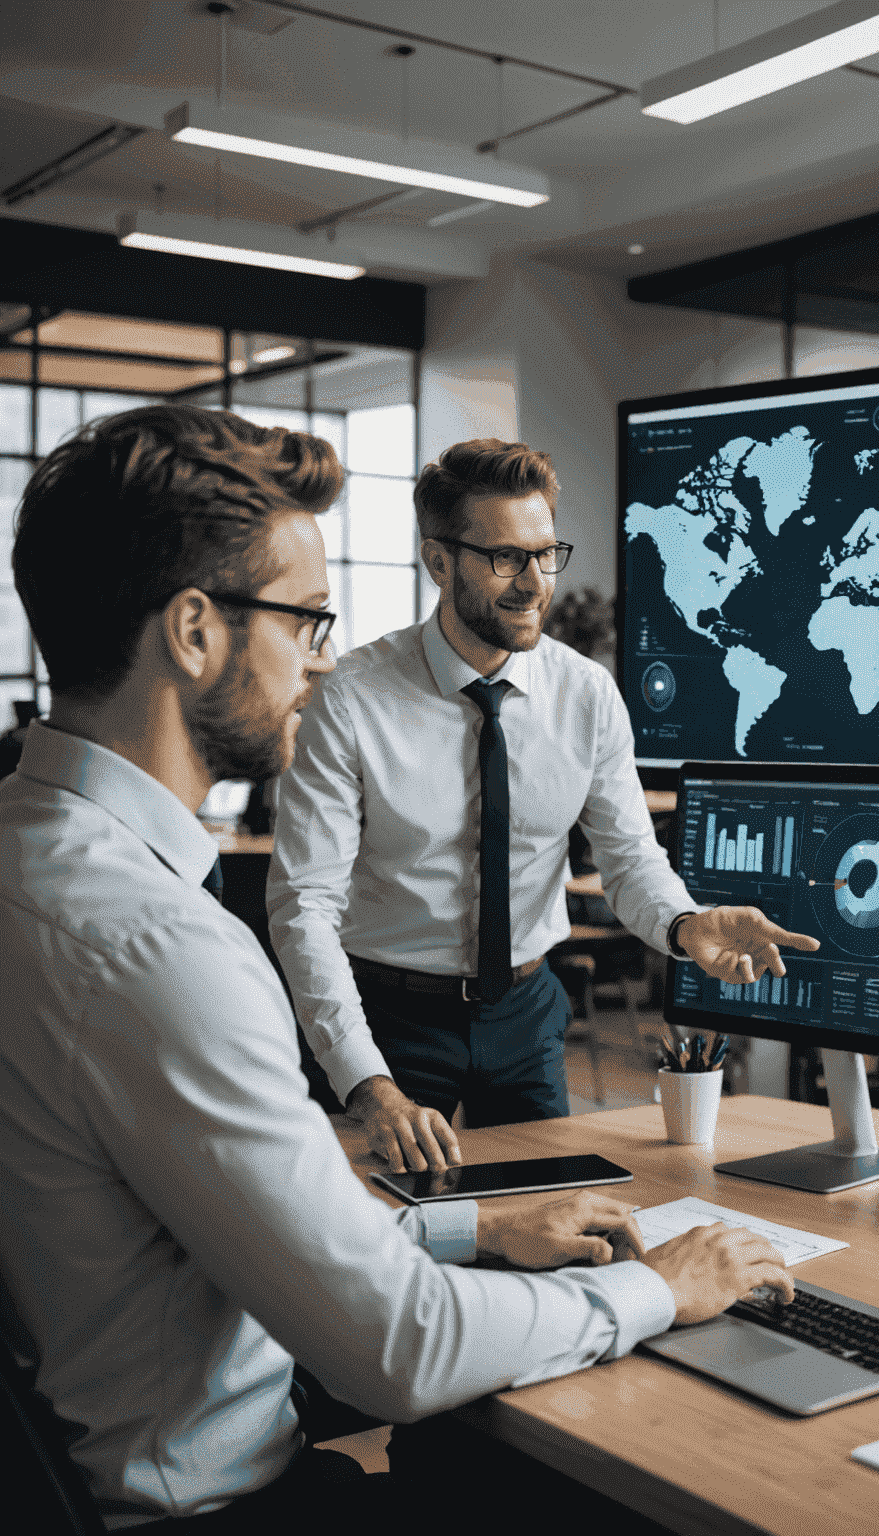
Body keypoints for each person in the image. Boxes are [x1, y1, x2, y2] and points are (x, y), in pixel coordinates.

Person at [0, 405, 794, 1532]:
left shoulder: (33, 862)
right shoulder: (161, 950)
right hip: (214, 1499)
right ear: (193, 631)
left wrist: (474, 1229)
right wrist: (659, 1286)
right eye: (302, 620)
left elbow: (238, 1220)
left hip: (104, 1445)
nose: (314, 662)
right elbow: (398, 1348)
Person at [267, 440, 816, 1173]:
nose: (534, 584)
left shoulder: (585, 695)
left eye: (545, 553)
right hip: (385, 1016)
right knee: (367, 1234)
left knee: (549, 1223)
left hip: (523, 1014)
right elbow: (304, 904)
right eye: (504, 559)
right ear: (439, 562)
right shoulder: (352, 698)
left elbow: (628, 861)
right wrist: (367, 1085)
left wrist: (685, 926)